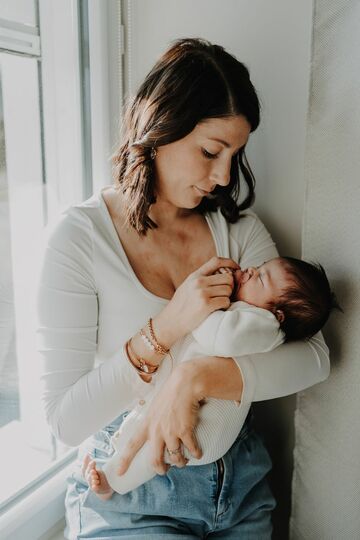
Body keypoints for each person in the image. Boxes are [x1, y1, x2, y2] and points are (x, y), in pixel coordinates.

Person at [37, 38, 330, 538]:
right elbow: (65, 421)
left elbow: (315, 356)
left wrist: (193, 379)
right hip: (128, 493)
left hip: (239, 488)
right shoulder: (80, 239)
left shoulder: (239, 233)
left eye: (234, 155)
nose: (221, 177)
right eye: (211, 151)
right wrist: (168, 327)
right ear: (159, 129)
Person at [81, 256, 336, 498]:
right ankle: (113, 467)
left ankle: (112, 483)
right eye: (258, 267)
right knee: (145, 428)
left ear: (278, 315)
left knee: (153, 446)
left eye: (260, 278)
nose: (250, 271)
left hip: (206, 425)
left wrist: (201, 305)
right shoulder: (250, 315)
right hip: (191, 410)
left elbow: (220, 338)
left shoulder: (263, 324)